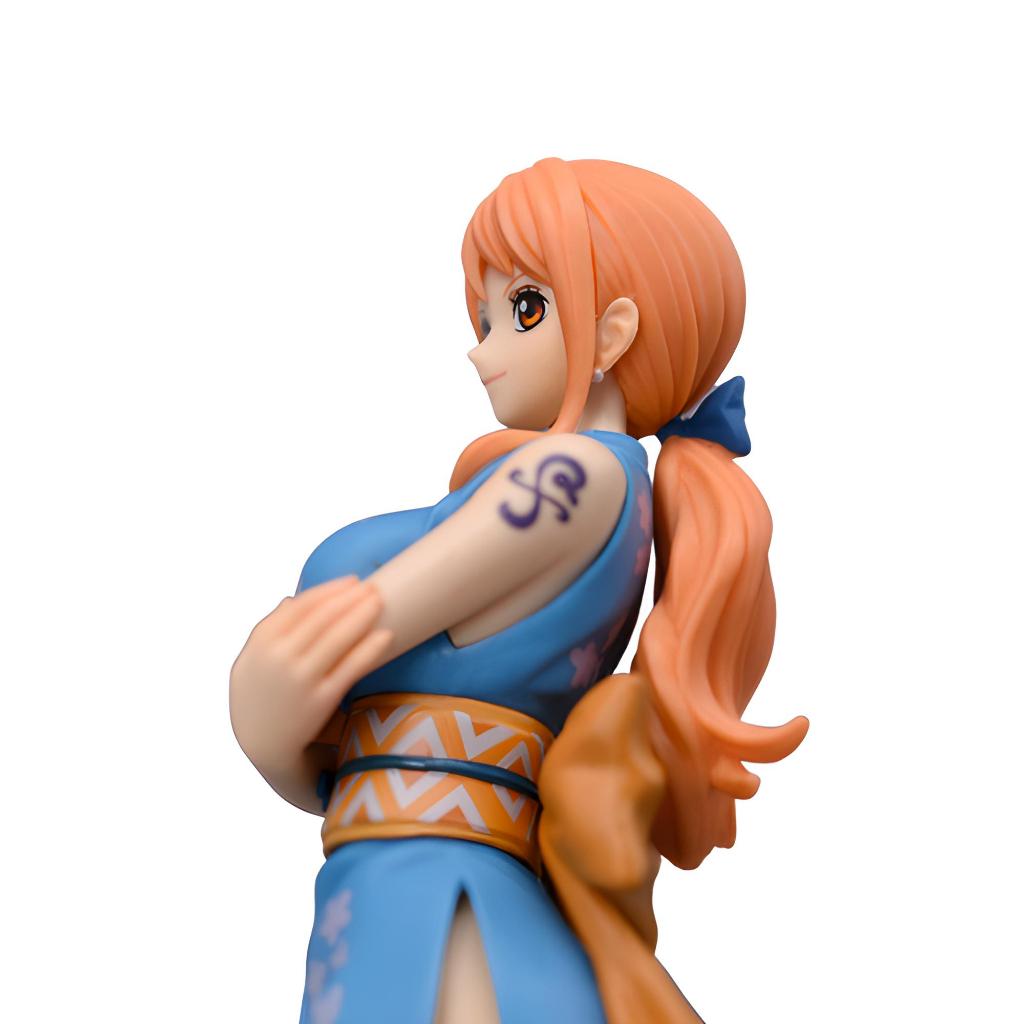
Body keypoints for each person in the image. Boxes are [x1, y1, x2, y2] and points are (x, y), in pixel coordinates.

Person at [229, 157, 808, 1024]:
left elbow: (365, 623)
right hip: (391, 869)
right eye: (483, 316)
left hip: (440, 891)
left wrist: (268, 707)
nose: (481, 346)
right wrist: (273, 736)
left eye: (523, 309)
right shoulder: (564, 483)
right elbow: (348, 742)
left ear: (612, 332)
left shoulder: (575, 477)